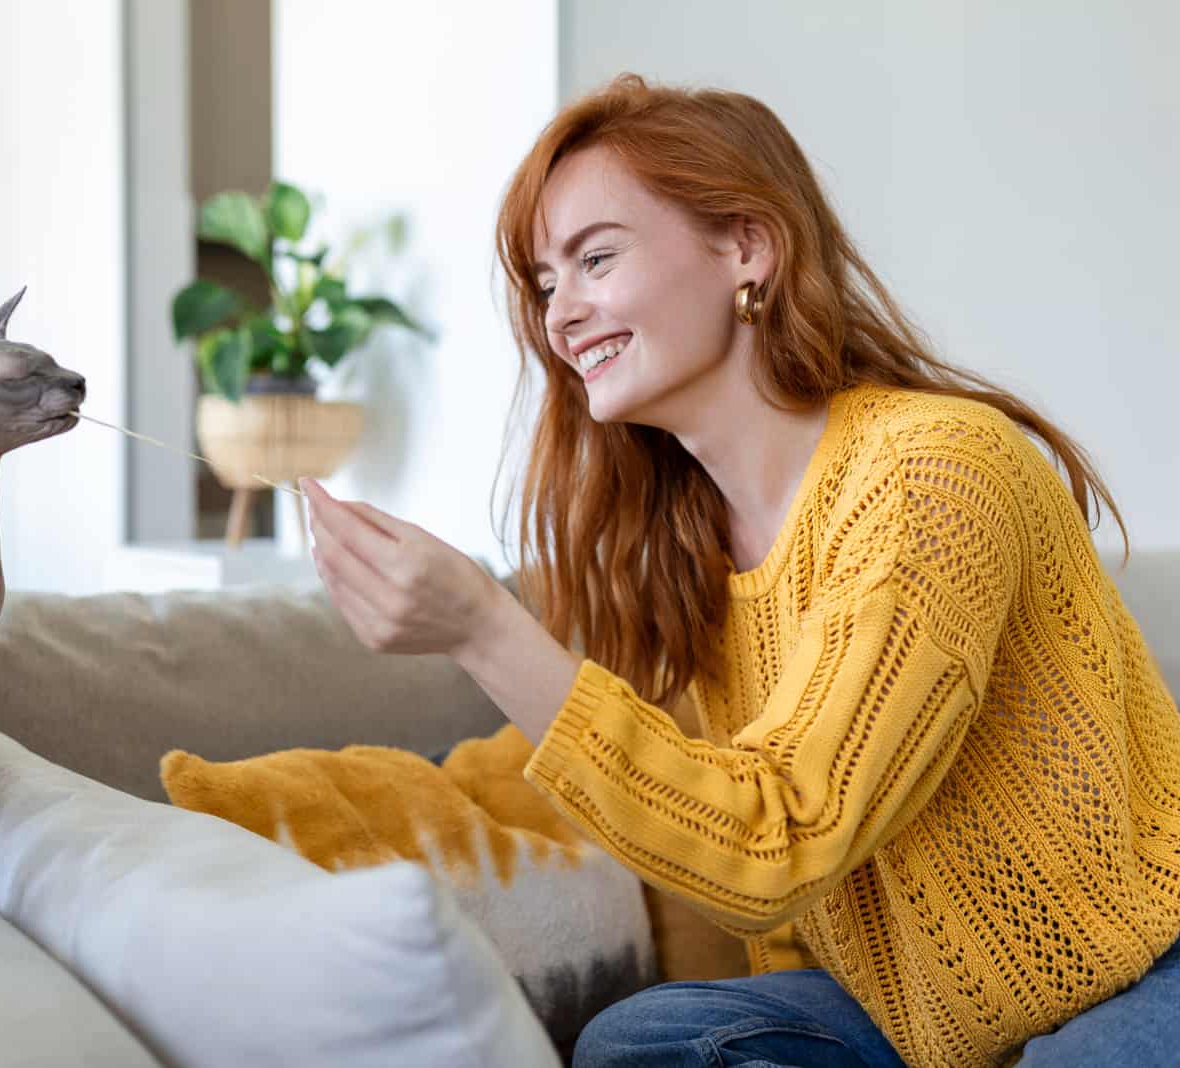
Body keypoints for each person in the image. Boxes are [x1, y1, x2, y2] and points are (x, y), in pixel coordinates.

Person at [297, 74, 1180, 1068]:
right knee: (645, 1043)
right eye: (546, 284)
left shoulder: (931, 472)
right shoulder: (689, 549)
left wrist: (485, 632)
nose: (561, 315)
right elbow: (779, 892)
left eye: (595, 258)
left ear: (745, 248)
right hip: (922, 1027)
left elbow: (781, 836)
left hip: (1145, 970)